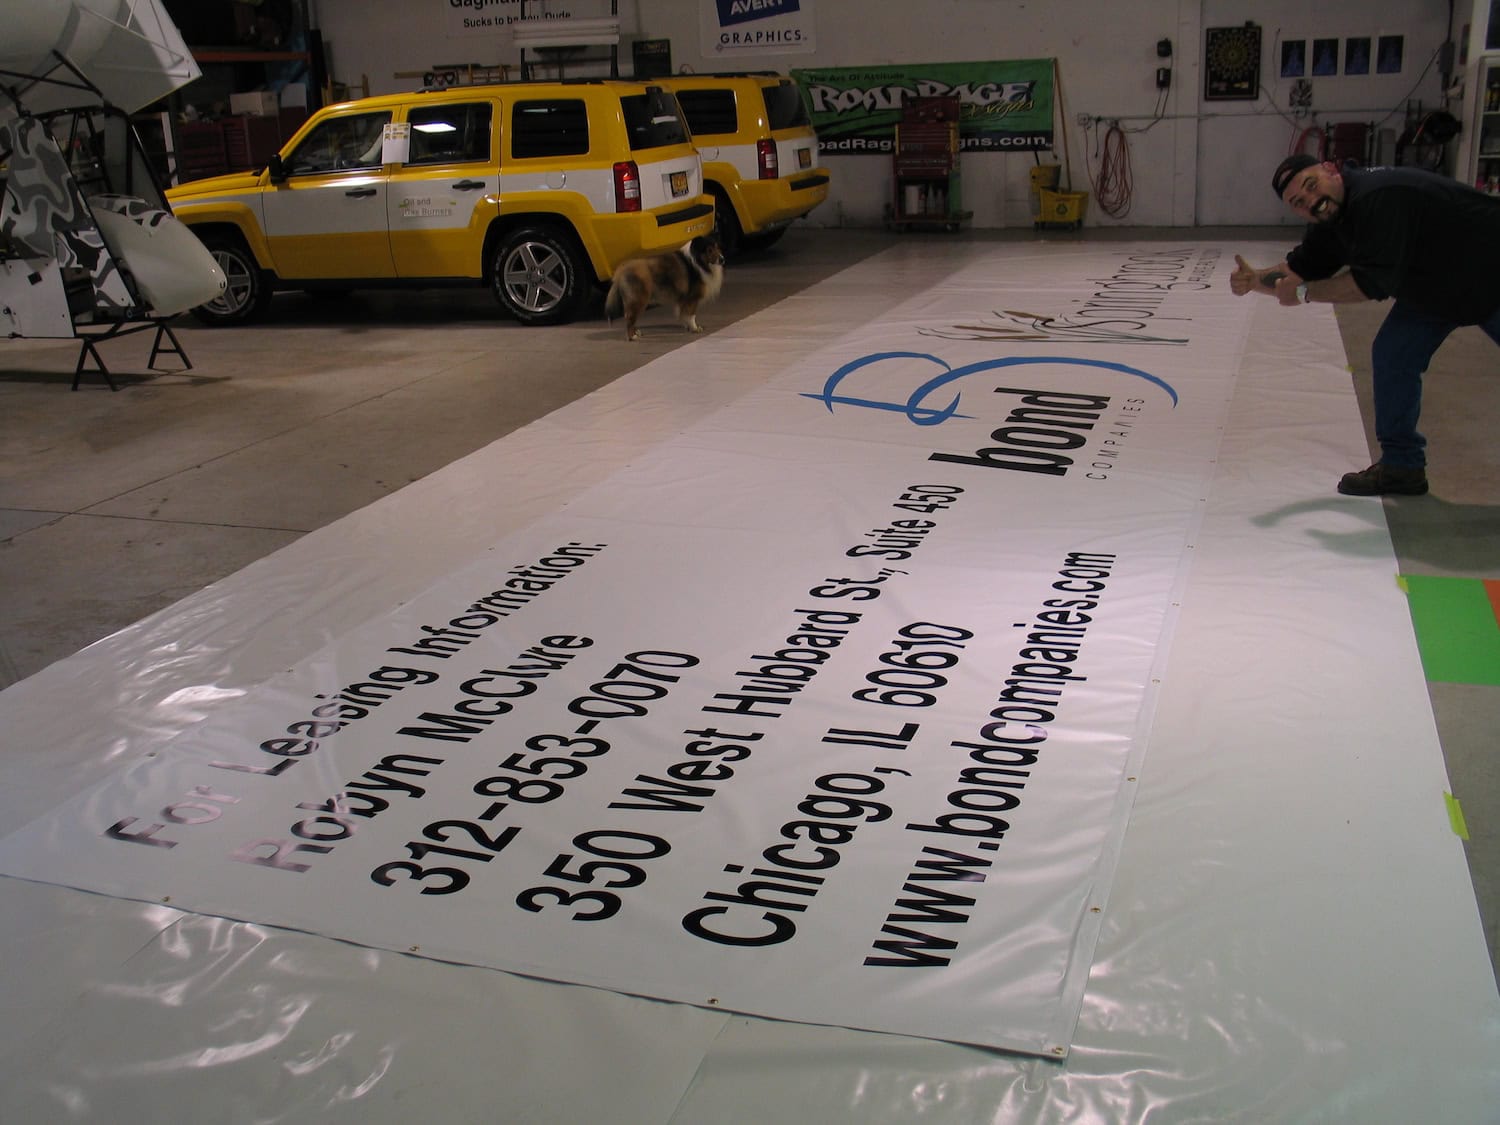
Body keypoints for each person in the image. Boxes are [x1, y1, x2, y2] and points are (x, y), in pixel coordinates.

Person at [1230, 152, 1500, 495]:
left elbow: (1370, 284)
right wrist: (1255, 280)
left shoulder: (1379, 197)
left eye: (1312, 186)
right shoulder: (1329, 221)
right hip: (1436, 288)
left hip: (1491, 270)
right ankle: (1402, 468)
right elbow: (1298, 269)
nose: (1312, 201)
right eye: (1299, 202)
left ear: (1332, 169)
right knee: (1393, 356)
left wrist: (1303, 293)